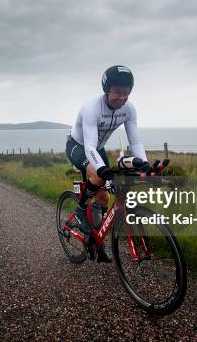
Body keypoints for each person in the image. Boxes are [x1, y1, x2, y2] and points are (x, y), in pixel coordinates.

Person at [65, 65, 149, 263]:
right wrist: (103, 171)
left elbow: (135, 141)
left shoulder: (129, 110)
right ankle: (81, 208)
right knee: (99, 176)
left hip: (97, 148)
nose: (122, 97)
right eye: (117, 92)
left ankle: (96, 238)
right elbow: (90, 147)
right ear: (106, 90)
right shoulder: (91, 108)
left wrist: (144, 165)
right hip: (79, 146)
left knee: (103, 197)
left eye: (126, 93)